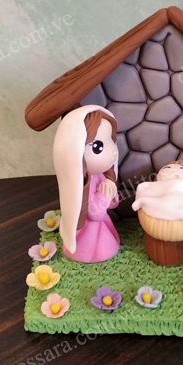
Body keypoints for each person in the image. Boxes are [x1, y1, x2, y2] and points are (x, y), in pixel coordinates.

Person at [53, 105, 120, 263]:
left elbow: (113, 203)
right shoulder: (80, 184)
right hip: (89, 232)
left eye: (111, 141)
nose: (113, 151)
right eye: (98, 147)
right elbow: (96, 213)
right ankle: (88, 252)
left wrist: (110, 189)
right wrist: (103, 195)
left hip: (101, 225)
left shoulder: (100, 174)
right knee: (98, 249)